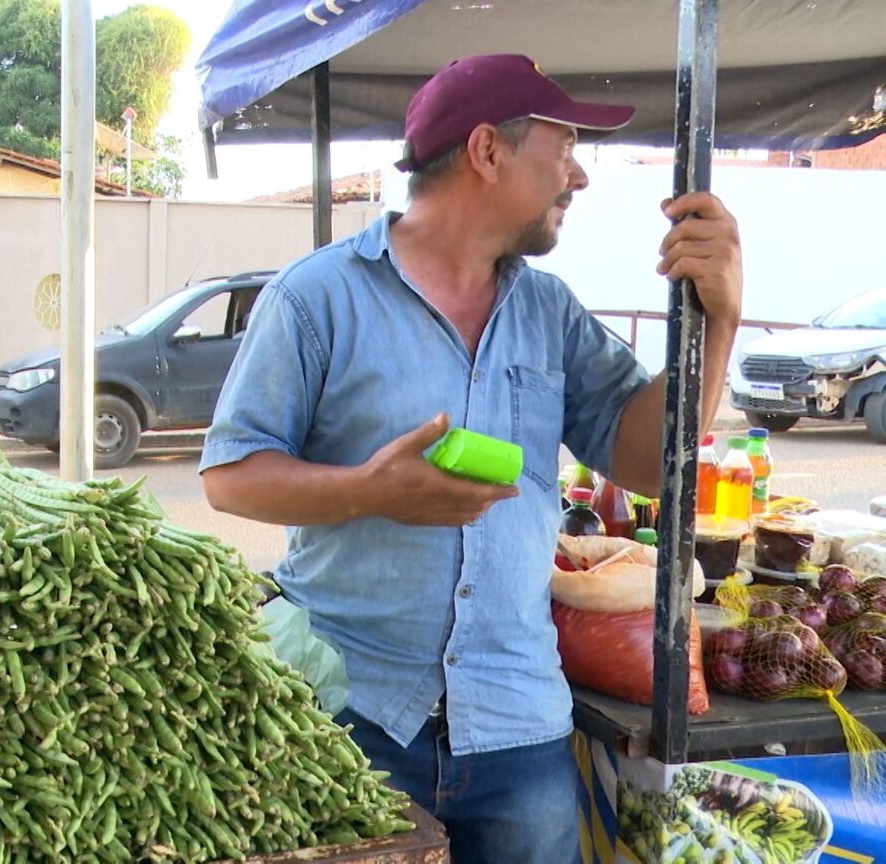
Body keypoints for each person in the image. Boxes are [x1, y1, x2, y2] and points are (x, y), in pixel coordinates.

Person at [199, 54, 741, 863]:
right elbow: (230, 475)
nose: (579, 176)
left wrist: (720, 319)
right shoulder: (317, 298)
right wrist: (369, 491)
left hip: (516, 727)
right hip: (352, 717)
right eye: (563, 148)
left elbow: (642, 457)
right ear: (488, 152)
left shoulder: (548, 310)